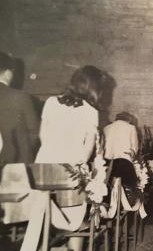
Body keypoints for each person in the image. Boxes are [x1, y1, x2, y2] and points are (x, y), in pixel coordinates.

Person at [35, 65, 106, 251]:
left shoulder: (50, 101)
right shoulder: (91, 111)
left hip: (43, 171)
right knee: (78, 216)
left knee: (46, 215)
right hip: (70, 174)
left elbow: (42, 136)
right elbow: (86, 151)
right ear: (94, 88)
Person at [0, 52, 39, 166]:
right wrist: (24, 151)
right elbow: (34, 132)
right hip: (17, 164)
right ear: (8, 73)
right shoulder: (20, 97)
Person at [104, 111, 139, 188]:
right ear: (128, 120)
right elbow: (134, 147)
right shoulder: (131, 128)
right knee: (128, 189)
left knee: (110, 189)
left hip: (109, 163)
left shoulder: (106, 128)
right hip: (125, 161)